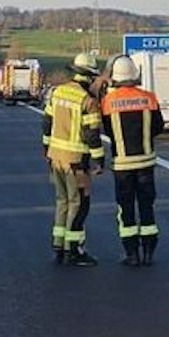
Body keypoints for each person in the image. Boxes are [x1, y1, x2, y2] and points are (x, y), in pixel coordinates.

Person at [100, 54, 165, 266]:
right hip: (146, 163)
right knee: (147, 206)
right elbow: (158, 127)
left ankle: (131, 254)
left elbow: (107, 130)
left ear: (115, 77)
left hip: (123, 165)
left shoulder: (108, 102)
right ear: (135, 75)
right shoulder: (149, 98)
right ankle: (149, 252)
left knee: (126, 208)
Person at [42, 52, 105, 266]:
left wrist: (46, 150)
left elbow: (47, 123)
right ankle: (73, 250)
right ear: (88, 77)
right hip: (76, 162)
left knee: (62, 202)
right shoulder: (88, 101)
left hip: (55, 158)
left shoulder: (57, 92)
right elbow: (92, 135)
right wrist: (99, 161)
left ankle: (58, 246)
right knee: (78, 204)